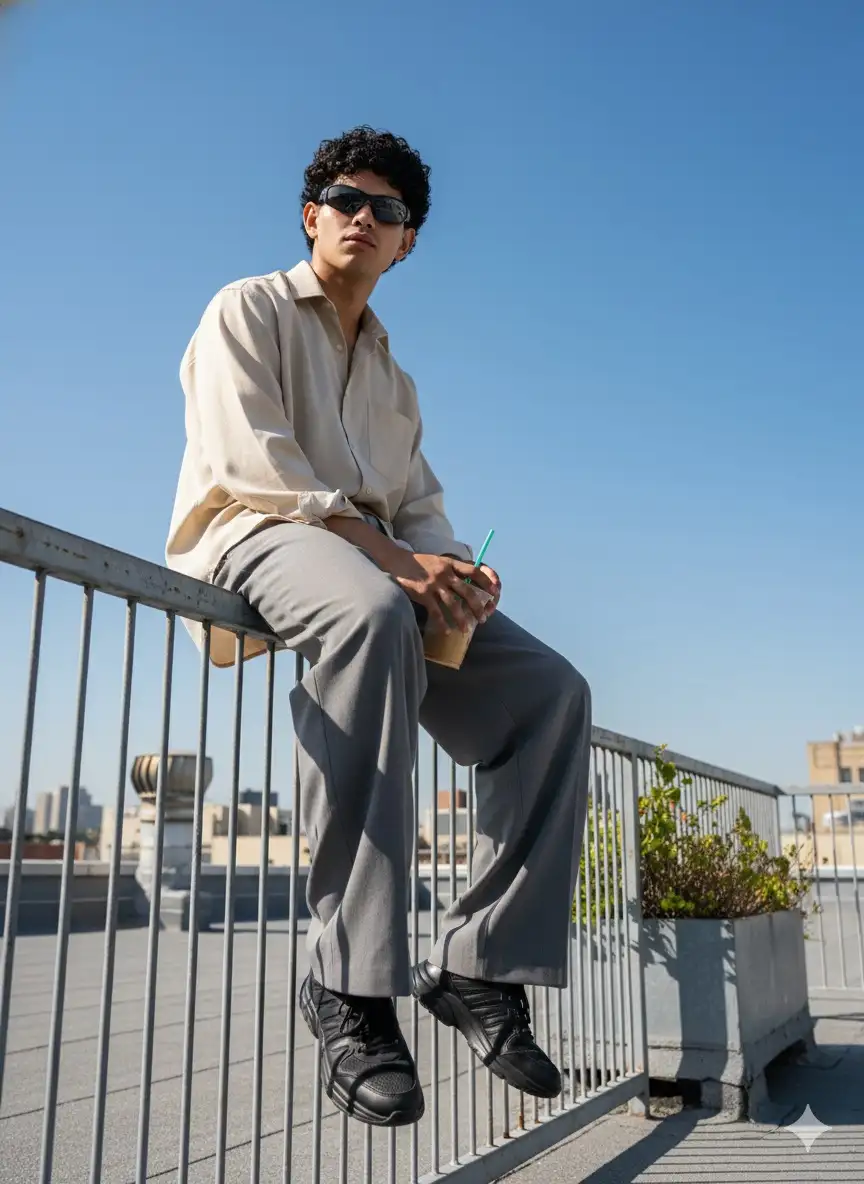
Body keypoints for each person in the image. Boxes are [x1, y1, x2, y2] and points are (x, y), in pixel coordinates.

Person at [166, 126, 591, 1128]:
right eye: (345, 198)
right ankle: (349, 983)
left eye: (389, 210)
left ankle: (480, 964)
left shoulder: (396, 381)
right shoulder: (249, 308)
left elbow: (421, 505)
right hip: (259, 529)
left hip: (378, 560)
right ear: (310, 214)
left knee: (550, 691)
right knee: (365, 613)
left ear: (407, 243)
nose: (365, 216)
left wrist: (454, 574)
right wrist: (400, 561)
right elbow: (257, 469)